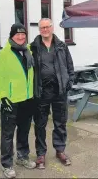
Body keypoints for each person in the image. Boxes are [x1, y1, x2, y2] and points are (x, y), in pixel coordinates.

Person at [30, 18, 75, 169]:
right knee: (40, 124)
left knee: (60, 122)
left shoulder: (62, 46)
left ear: (52, 27)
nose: (45, 30)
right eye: (42, 28)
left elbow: (69, 65)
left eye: (47, 27)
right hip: (42, 91)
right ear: (39, 30)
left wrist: (70, 81)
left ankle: (60, 150)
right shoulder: (33, 47)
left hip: (59, 90)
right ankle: (41, 154)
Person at [0, 23, 36, 178]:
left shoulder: (28, 51)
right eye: (17, 34)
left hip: (27, 98)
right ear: (12, 36)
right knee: (7, 134)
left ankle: (23, 157)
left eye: (23, 34)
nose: (20, 37)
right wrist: (3, 97)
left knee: (24, 131)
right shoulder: (4, 54)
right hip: (11, 100)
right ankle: (7, 164)